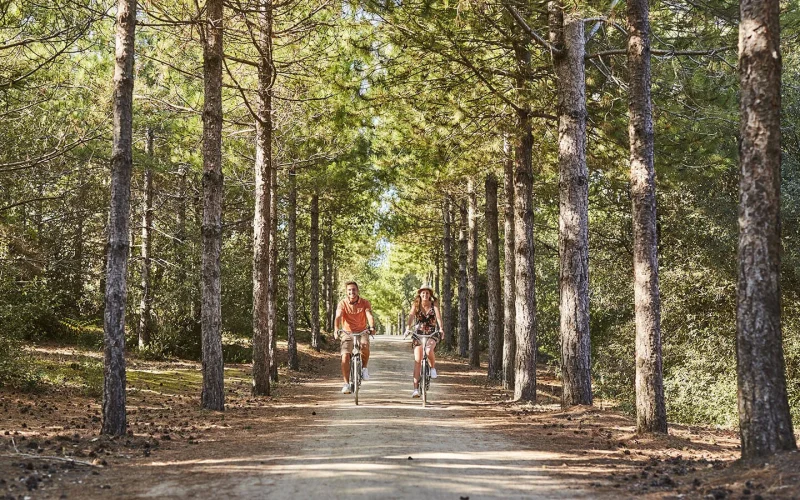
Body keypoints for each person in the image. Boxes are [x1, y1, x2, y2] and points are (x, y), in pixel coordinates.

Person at [333, 281, 376, 394]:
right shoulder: (342, 303)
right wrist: (336, 329)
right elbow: (338, 316)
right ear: (346, 292)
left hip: (362, 331)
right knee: (345, 356)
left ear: (357, 291)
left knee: (364, 345)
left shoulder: (365, 303)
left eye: (354, 289)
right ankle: (346, 384)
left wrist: (372, 327)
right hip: (347, 333)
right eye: (349, 290)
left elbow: (369, 315)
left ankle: (364, 368)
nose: (352, 292)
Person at [405, 284, 444, 398]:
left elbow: (438, 317)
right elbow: (411, 316)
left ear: (430, 294)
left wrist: (441, 329)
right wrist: (408, 327)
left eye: (427, 293)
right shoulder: (416, 304)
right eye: (423, 293)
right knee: (418, 360)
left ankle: (432, 368)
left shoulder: (434, 304)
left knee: (428, 351)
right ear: (420, 294)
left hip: (431, 332)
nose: (425, 295)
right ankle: (415, 389)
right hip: (418, 333)